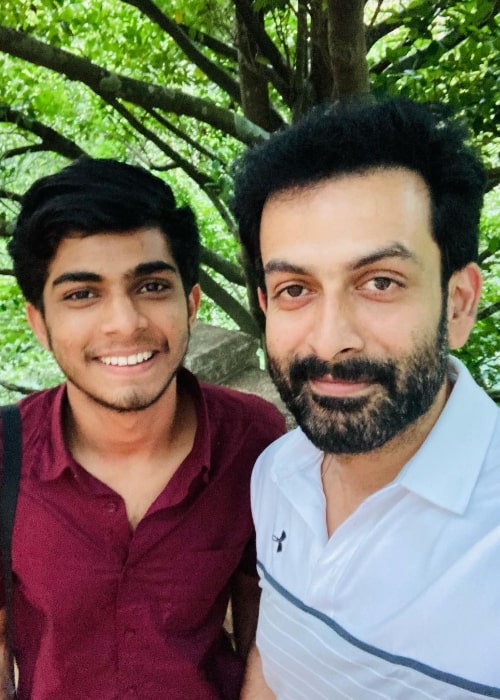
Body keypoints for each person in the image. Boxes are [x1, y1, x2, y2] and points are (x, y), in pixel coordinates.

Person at [231, 97, 500, 698]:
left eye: (380, 282)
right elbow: (276, 662)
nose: (331, 340)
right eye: (295, 288)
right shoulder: (277, 474)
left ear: (458, 303)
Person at [0, 157, 286, 700]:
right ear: (39, 322)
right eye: (82, 294)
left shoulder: (252, 439)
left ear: (191, 303)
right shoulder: (4, 452)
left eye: (152, 286)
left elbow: (263, 633)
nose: (125, 323)